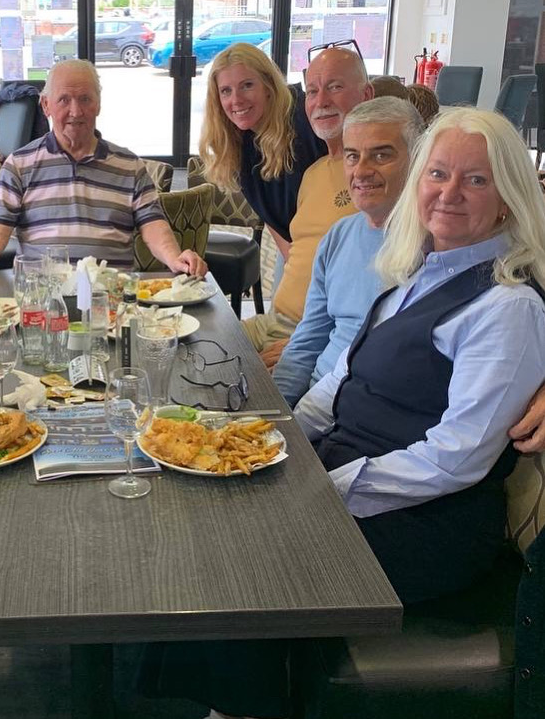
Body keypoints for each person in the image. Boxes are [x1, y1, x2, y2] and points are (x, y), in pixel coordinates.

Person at [143, 106, 545, 718]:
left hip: (426, 519)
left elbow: (457, 458)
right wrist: (272, 437)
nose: (449, 193)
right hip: (350, 473)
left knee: (239, 545)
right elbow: (340, 381)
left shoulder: (508, 307)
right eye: (438, 174)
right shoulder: (416, 272)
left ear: (509, 200)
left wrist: (325, 488)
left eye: (476, 180)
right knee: (208, 501)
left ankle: (241, 707)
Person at [0, 59, 207, 289]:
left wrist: (174, 258)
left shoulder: (130, 166)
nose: (76, 111)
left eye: (85, 99)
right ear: (46, 105)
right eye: (64, 100)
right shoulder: (19, 165)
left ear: (98, 105)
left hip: (110, 300)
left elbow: (154, 226)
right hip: (42, 302)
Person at [273, 97, 424, 405]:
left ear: (418, 158)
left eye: (381, 155)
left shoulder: (435, 247)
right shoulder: (338, 236)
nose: (362, 170)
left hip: (364, 411)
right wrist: (275, 409)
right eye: (352, 156)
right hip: (315, 399)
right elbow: (308, 339)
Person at [242, 44, 373, 365]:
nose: (321, 101)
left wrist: (309, 346)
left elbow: (381, 299)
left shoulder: (374, 181)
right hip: (274, 323)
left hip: (314, 339)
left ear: (367, 95)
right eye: (312, 91)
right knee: (187, 340)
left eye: (335, 87)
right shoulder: (313, 174)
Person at [200, 42, 327, 260]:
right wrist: (292, 263)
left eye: (247, 85)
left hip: (334, 243)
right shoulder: (238, 140)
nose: (236, 100)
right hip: (295, 245)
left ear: (268, 86)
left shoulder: (305, 121)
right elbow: (270, 216)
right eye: (226, 91)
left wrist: (306, 268)